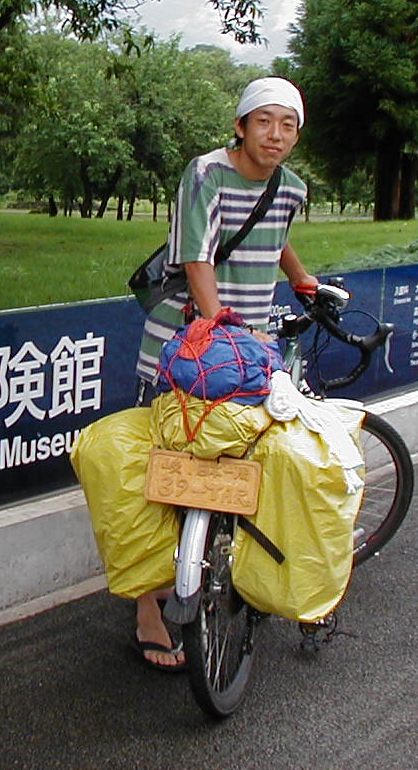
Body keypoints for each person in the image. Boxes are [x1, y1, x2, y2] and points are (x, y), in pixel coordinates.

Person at [131, 75, 317, 672]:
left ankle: (208, 564)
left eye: (288, 125)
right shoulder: (207, 174)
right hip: (187, 342)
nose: (276, 134)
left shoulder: (290, 188)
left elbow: (277, 236)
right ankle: (146, 603)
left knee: (238, 459)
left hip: (249, 350)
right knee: (163, 466)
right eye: (264, 121)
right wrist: (219, 326)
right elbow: (197, 254)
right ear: (240, 126)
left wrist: (303, 279)